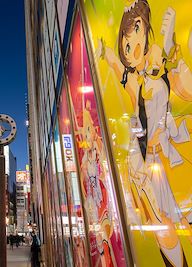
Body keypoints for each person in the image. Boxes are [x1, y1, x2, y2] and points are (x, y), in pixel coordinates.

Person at [98, 0, 192, 265]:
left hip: (170, 155)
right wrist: (107, 54)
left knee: (182, 219)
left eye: (138, 32)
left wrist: (172, 44)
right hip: (147, 164)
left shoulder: (163, 71)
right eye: (128, 45)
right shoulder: (136, 84)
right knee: (163, 226)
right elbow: (120, 70)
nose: (134, 48)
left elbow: (186, 86)